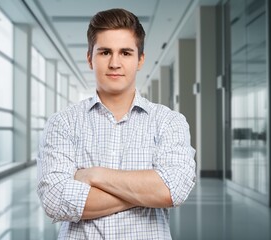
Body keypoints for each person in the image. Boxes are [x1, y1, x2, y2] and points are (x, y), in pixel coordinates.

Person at [37, 8, 196, 239]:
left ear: (140, 59)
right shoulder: (62, 123)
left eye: (125, 53)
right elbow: (54, 199)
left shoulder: (168, 122)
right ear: (90, 58)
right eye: (104, 52)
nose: (114, 63)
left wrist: (95, 175)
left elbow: (173, 189)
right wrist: (144, 192)